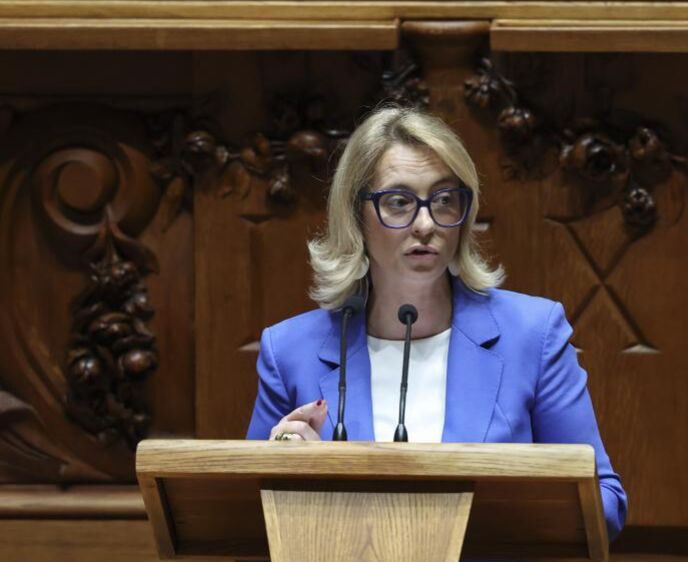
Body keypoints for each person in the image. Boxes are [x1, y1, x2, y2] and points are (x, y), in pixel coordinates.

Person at [245, 106, 627, 539]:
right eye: (399, 202)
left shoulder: (533, 334)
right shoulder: (289, 350)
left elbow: (605, 503)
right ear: (355, 215)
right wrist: (286, 468)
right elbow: (247, 519)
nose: (426, 224)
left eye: (444, 200)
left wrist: (504, 503)